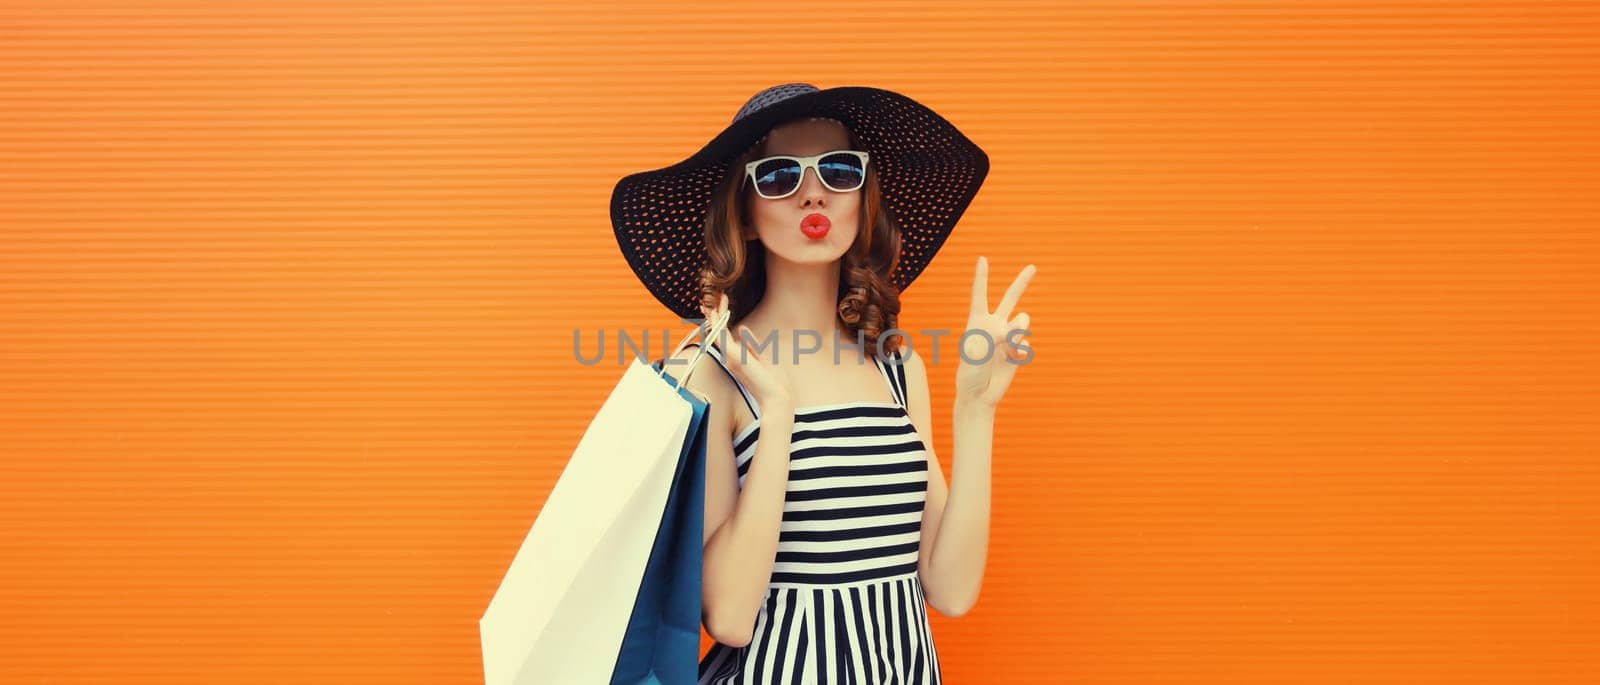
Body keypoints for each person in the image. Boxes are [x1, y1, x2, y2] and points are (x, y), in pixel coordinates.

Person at [611, 82, 1036, 684]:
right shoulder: (713, 372)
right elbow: (729, 616)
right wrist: (778, 408)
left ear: (863, 200)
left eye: (838, 170)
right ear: (747, 215)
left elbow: (951, 589)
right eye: (780, 177)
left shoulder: (896, 367)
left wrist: (976, 410)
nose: (814, 191)